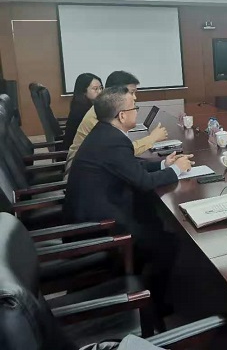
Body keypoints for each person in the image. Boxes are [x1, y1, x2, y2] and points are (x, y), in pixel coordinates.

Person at [63, 86, 194, 313]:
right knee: (167, 243)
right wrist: (177, 170)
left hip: (92, 211)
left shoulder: (105, 133)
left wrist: (164, 165)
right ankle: (154, 306)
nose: (137, 110)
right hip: (97, 226)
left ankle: (136, 274)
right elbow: (142, 182)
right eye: (134, 107)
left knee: (150, 214)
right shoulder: (113, 140)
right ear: (122, 116)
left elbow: (131, 168)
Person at [65, 70, 168, 174]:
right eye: (131, 92)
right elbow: (121, 151)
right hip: (81, 171)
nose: (134, 97)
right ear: (115, 93)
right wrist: (152, 138)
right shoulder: (100, 115)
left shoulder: (106, 109)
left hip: (98, 163)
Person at [62, 73, 103, 150]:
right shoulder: (82, 110)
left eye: (101, 88)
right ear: (84, 91)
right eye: (95, 89)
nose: (100, 92)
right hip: (76, 152)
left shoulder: (81, 105)